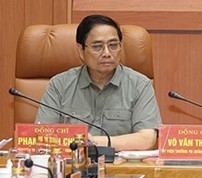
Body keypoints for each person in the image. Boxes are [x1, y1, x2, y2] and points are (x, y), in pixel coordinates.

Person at [36, 14, 161, 150]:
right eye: (97, 46)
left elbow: (147, 139)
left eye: (113, 45)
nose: (107, 53)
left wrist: (92, 142)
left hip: (121, 168)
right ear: (81, 50)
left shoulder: (139, 85)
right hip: (74, 166)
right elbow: (42, 136)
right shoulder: (59, 85)